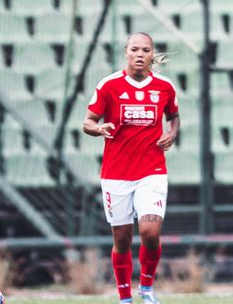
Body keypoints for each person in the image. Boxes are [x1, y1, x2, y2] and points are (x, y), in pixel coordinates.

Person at [83, 32, 180, 304]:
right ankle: (125, 297)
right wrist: (99, 128)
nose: (140, 54)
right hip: (116, 174)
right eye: (135, 49)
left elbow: (173, 116)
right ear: (126, 52)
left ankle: (147, 289)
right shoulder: (109, 85)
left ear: (152, 54)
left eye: (145, 50)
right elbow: (87, 121)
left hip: (152, 171)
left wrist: (171, 134)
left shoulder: (164, 87)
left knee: (150, 232)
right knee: (122, 238)